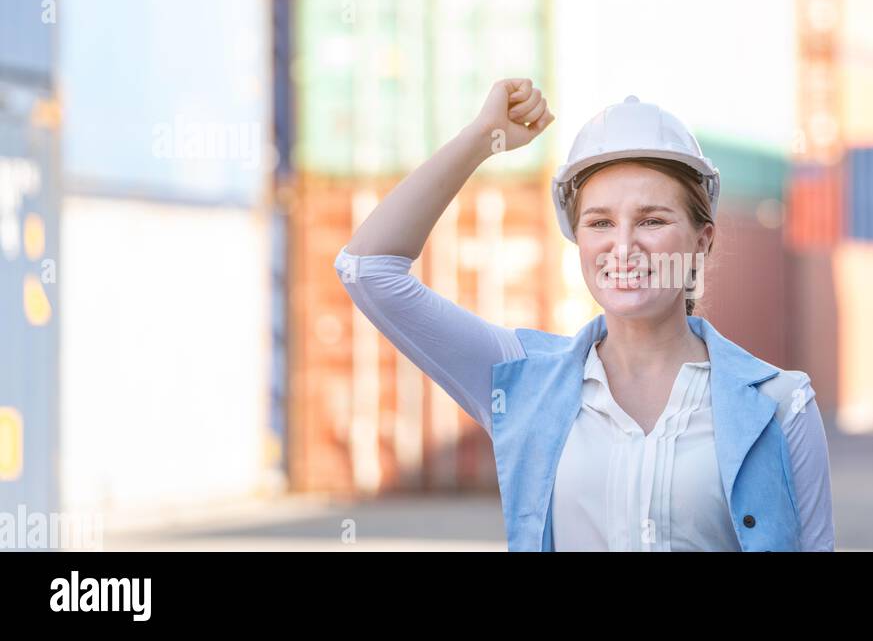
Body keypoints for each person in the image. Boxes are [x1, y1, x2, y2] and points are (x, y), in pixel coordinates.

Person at [336, 78, 834, 551]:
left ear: (702, 240)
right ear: (578, 240)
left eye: (652, 220)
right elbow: (368, 269)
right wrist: (480, 139)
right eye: (599, 223)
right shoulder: (523, 381)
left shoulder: (780, 406)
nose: (622, 246)